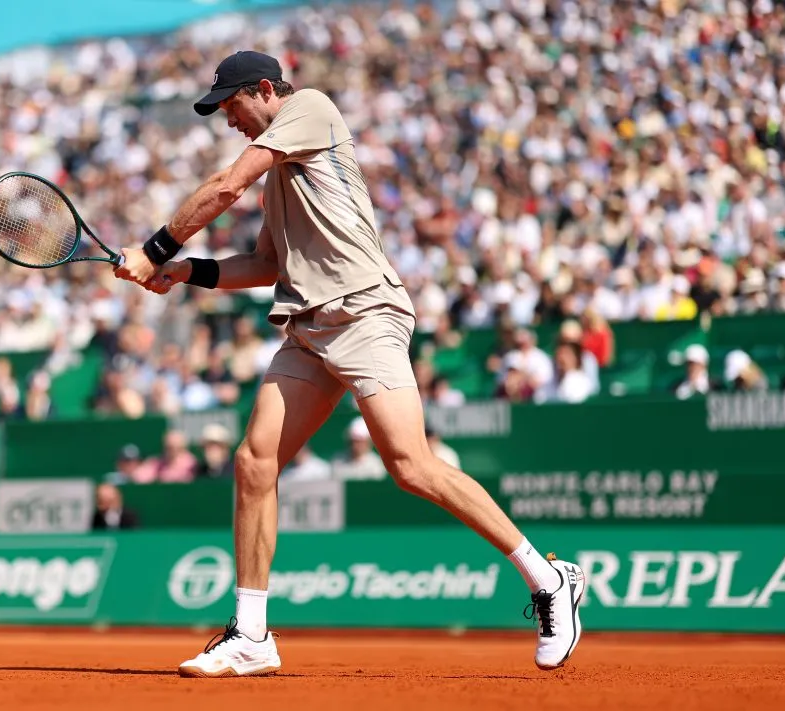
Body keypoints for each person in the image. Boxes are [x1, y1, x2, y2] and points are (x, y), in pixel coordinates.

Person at [115, 50, 584, 677]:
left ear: (265, 90)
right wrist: (184, 271)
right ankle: (251, 633)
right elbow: (267, 266)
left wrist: (154, 248)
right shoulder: (279, 180)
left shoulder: (311, 108)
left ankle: (548, 579)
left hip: (365, 314)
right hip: (308, 327)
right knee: (254, 461)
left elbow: (226, 186)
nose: (228, 119)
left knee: (410, 465)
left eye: (232, 105)